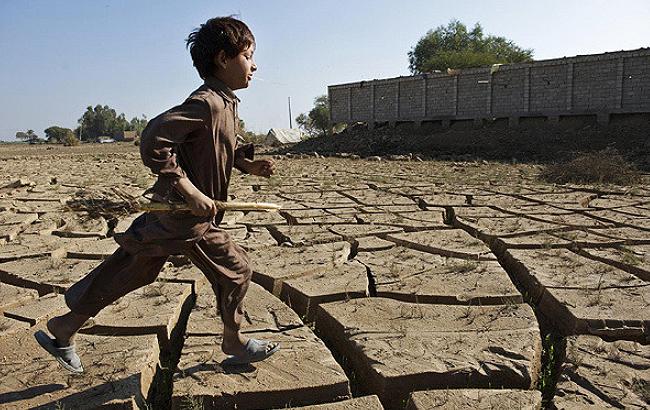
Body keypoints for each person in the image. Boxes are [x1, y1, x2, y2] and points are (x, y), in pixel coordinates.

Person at [34, 16, 279, 373]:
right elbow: (154, 139)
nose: (254, 65)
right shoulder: (206, 103)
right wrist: (188, 189)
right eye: (248, 55)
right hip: (185, 218)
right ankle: (234, 339)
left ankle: (63, 328)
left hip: (174, 218)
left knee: (133, 271)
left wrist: (247, 165)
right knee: (237, 269)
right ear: (223, 59)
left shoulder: (227, 104)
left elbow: (219, 145)